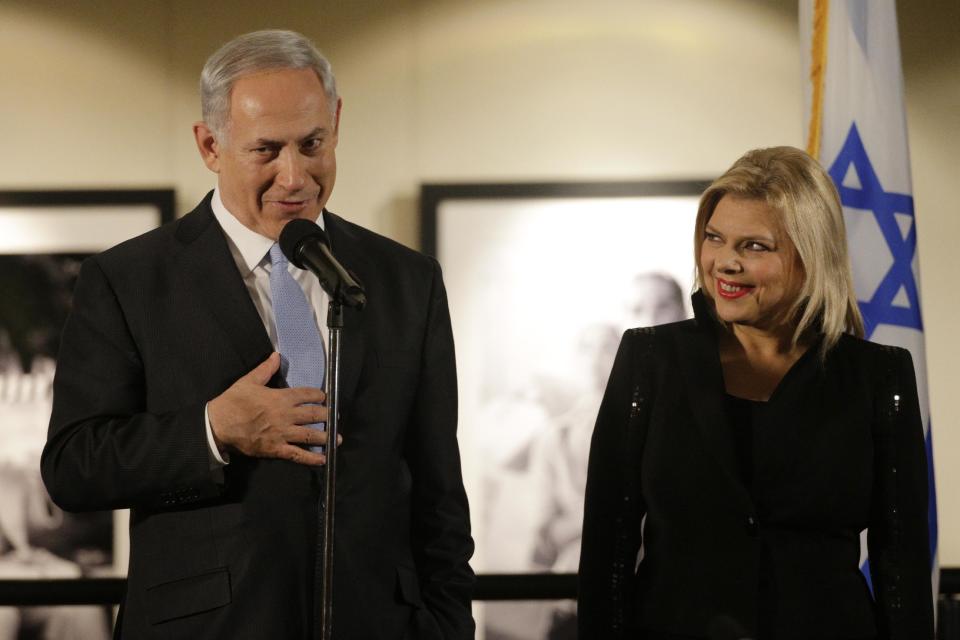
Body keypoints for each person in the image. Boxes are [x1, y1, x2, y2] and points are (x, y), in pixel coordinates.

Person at [40, 30, 474, 639]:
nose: (294, 176)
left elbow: (439, 492)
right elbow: (73, 467)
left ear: (337, 122)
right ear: (210, 144)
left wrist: (450, 628)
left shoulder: (408, 279)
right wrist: (214, 430)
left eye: (312, 144)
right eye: (266, 150)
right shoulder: (127, 279)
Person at [578, 146, 934, 639]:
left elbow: (904, 573)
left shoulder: (879, 376)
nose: (724, 263)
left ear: (810, 257)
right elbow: (606, 556)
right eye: (714, 238)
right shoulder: (650, 359)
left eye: (755, 246)